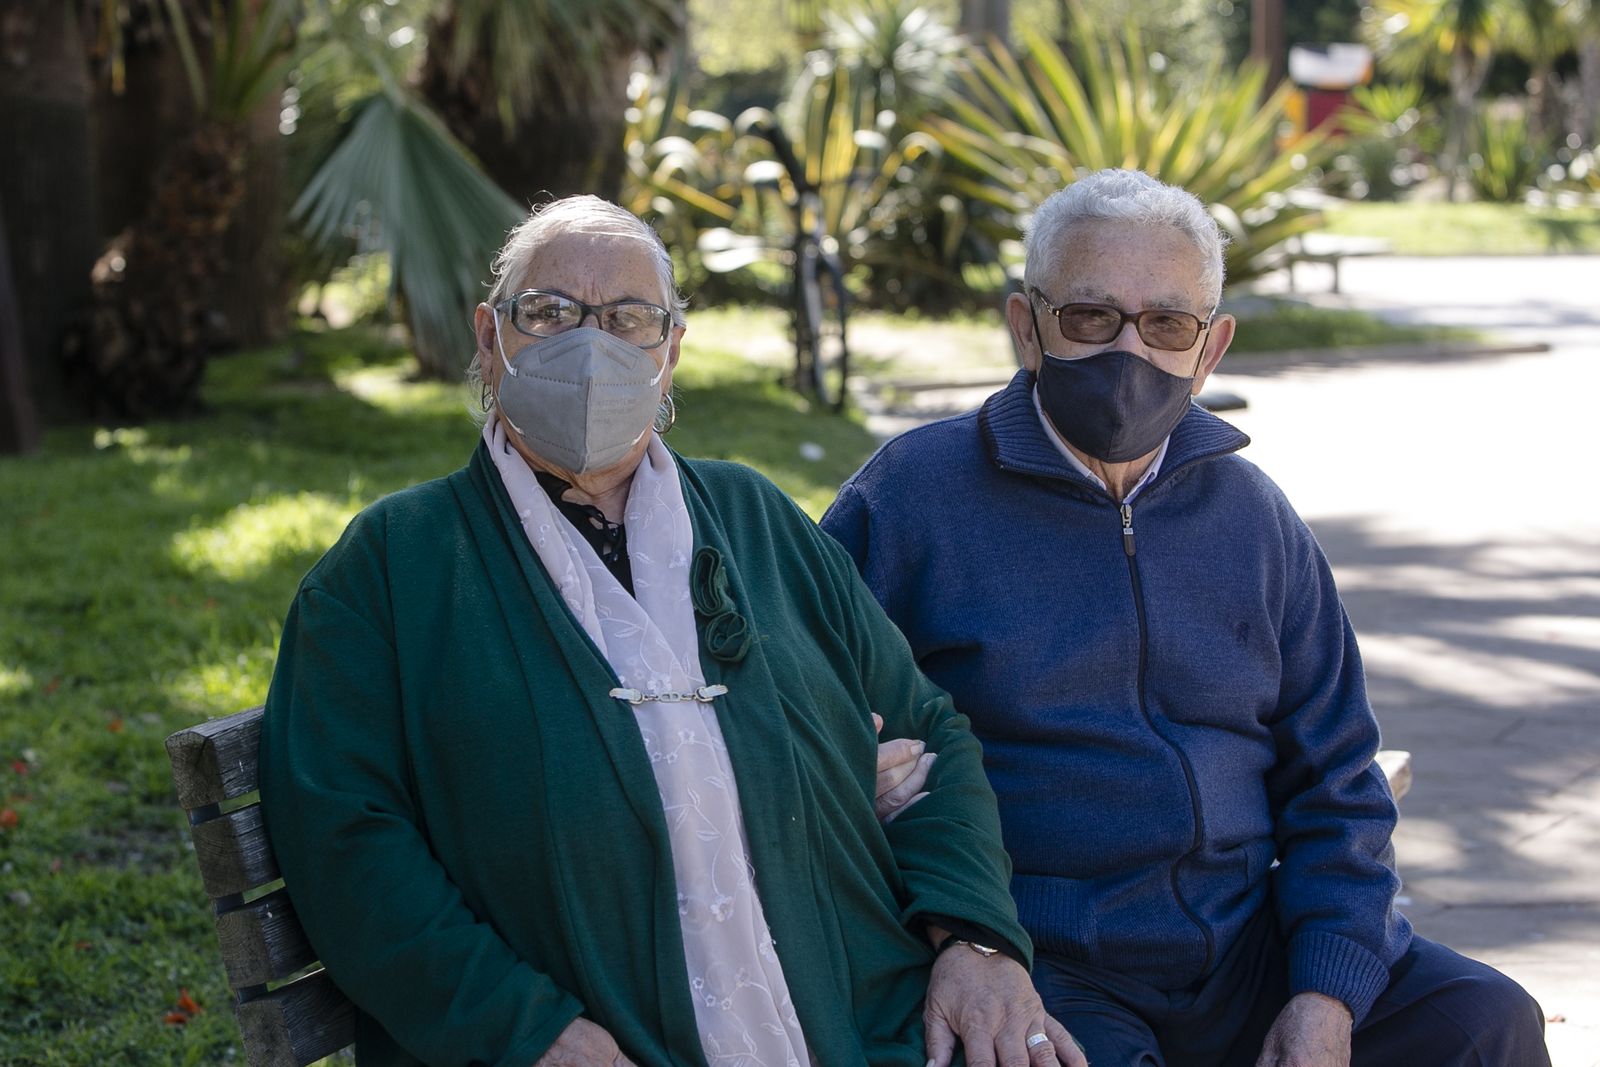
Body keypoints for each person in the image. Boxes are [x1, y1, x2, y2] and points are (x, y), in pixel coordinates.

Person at [258, 195, 1081, 1067]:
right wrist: (526, 1030)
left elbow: (930, 737)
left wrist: (975, 941)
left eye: (628, 319)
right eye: (547, 313)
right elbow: (345, 837)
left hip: (856, 1025)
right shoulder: (390, 568)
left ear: (672, 350)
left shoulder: (756, 518)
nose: (590, 344)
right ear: (488, 338)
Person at [821, 169, 1551, 1067]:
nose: (1130, 352)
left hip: (1247, 943)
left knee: (1486, 1021)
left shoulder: (1255, 518)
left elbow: (1338, 780)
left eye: (1167, 324)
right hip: (1045, 953)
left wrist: (1325, 989)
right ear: (1026, 328)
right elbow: (818, 741)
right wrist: (964, 938)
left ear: (1210, 349)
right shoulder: (907, 501)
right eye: (1090, 317)